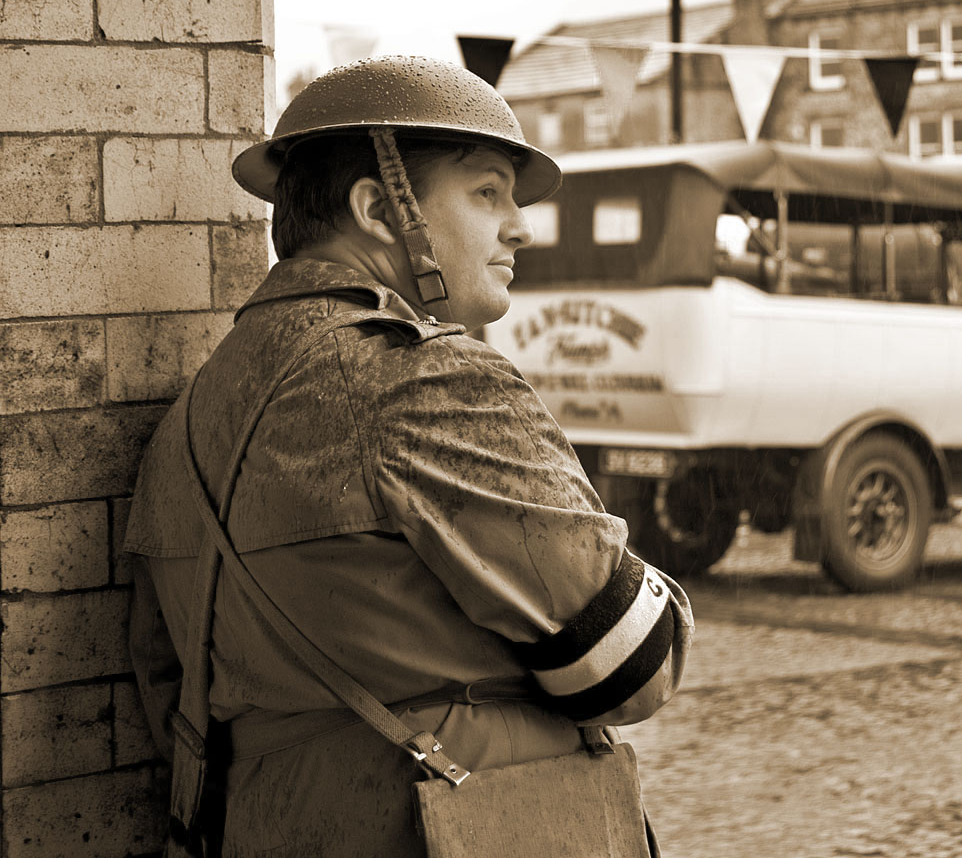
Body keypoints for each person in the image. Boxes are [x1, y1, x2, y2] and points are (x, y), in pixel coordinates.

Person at [123, 56, 694, 857]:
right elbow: (633, 665)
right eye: (486, 192)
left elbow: (164, 689)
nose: (520, 225)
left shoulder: (187, 418)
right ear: (379, 209)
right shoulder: (423, 377)